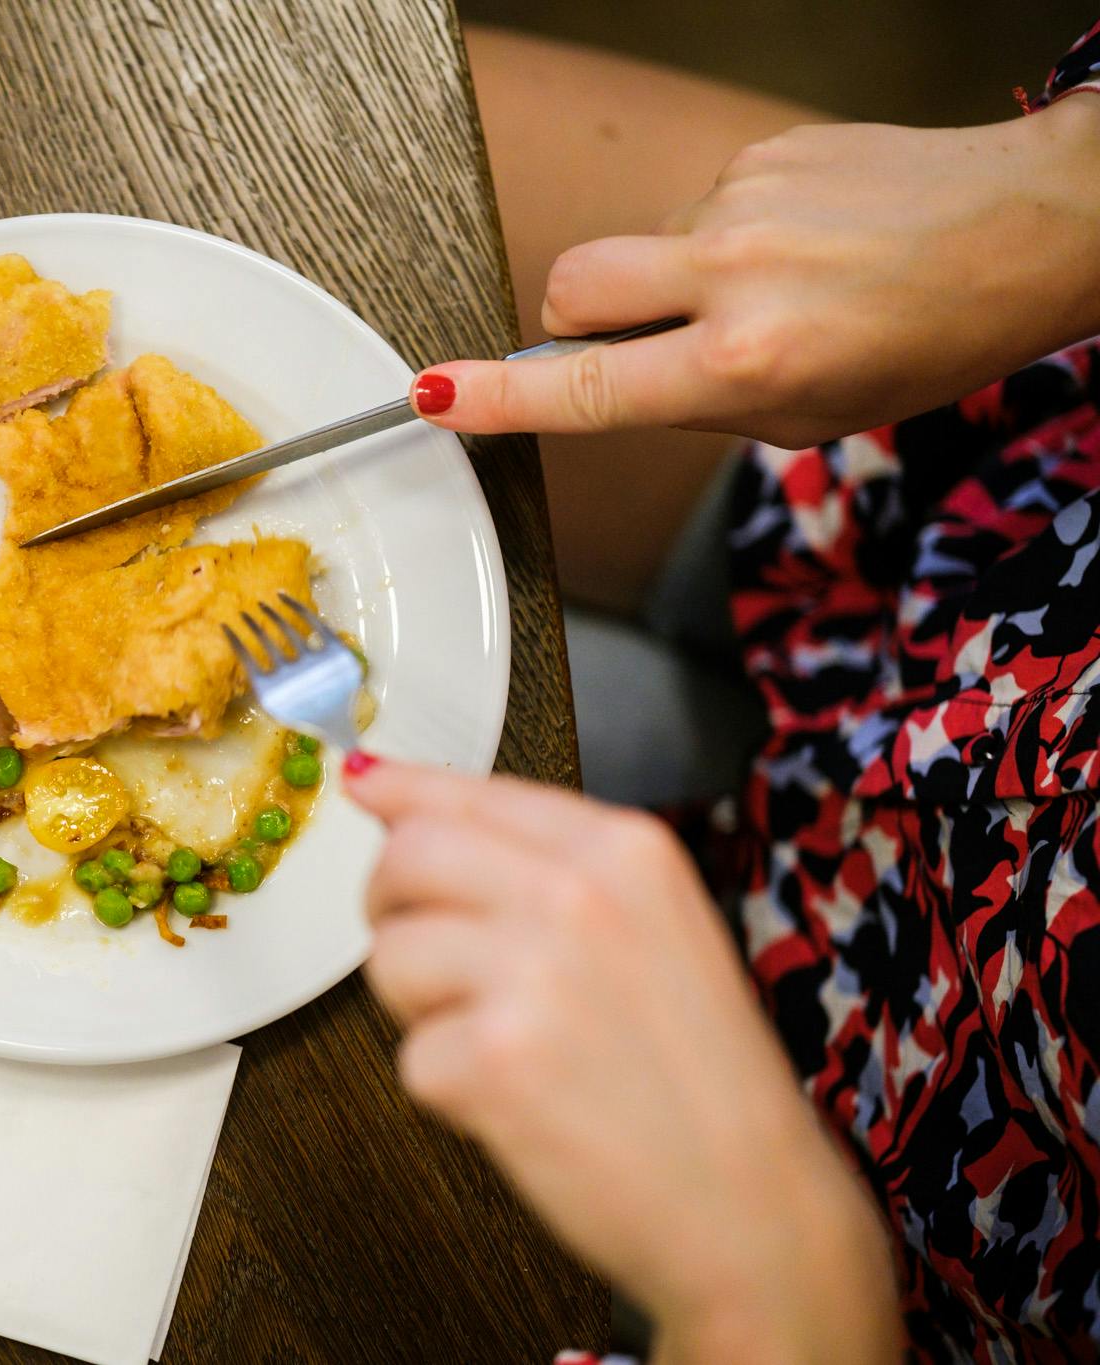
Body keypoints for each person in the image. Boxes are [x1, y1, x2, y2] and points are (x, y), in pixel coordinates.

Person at [358, 20, 1100, 1364]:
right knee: (334, 149)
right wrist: (1071, 184)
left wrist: (786, 1304)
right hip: (978, 446)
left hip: (893, 1219)